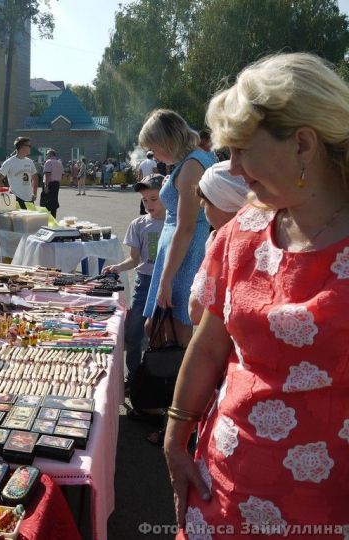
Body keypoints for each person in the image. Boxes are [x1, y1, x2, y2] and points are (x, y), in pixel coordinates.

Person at [165, 52, 349, 538]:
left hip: (326, 505)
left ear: (304, 144)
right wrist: (174, 436)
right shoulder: (242, 231)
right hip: (220, 490)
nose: (234, 168)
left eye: (242, 150)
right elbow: (208, 346)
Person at [139, 109, 216, 347]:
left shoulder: (191, 165)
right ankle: (170, 381)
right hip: (178, 252)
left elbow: (185, 227)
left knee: (175, 329)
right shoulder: (192, 160)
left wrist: (166, 278)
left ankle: (175, 382)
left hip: (184, 253)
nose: (154, 155)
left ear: (167, 141)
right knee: (161, 328)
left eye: (154, 148)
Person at [103, 174, 165, 387]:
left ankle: (162, 378)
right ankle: (135, 377)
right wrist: (118, 267)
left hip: (169, 283)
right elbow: (134, 258)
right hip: (144, 282)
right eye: (144, 200)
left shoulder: (177, 223)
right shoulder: (138, 224)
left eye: (154, 199)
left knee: (163, 333)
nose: (148, 204)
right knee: (134, 332)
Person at [187, 161, 250, 325]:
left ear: (225, 203)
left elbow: (196, 312)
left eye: (206, 201)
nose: (202, 205)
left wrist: (211, 255)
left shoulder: (226, 243)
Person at [0, 137, 38, 209]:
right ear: (22, 147)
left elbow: (35, 178)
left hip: (29, 200)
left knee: (30, 220)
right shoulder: (9, 162)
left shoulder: (30, 162)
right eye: (29, 146)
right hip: (16, 199)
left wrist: (34, 193)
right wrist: (8, 193)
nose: (30, 148)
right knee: (19, 220)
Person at [42, 149, 63, 217]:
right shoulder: (59, 163)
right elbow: (61, 175)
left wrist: (46, 186)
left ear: (50, 154)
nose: (46, 155)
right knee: (54, 201)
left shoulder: (48, 162)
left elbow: (48, 174)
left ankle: (44, 219)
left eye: (47, 154)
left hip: (49, 184)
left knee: (45, 202)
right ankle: (53, 218)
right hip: (56, 184)